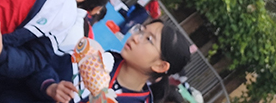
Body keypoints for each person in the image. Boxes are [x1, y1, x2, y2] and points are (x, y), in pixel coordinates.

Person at [21, 20, 192, 103]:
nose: (136, 37)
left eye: (148, 39)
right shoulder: (95, 57)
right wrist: (49, 86)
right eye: (141, 30)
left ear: (160, 66)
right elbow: (37, 65)